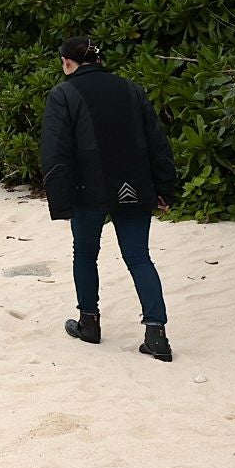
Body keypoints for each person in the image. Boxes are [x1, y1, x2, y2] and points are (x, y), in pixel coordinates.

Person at [40, 35, 180, 362]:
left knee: (86, 254)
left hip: (88, 190)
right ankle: (157, 334)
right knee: (139, 257)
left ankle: (89, 323)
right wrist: (164, 187)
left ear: (67, 63)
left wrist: (59, 202)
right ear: (99, 60)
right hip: (136, 184)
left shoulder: (63, 94)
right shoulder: (131, 89)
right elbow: (158, 142)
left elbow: (55, 151)